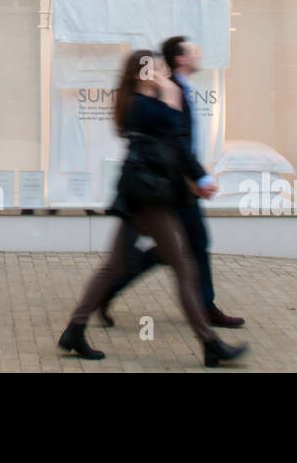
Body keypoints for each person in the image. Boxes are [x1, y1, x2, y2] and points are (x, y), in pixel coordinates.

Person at [58, 50, 247, 368]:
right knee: (184, 268)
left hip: (147, 193)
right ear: (138, 74)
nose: (161, 72)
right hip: (148, 197)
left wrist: (198, 176)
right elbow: (174, 129)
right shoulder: (139, 105)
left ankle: (74, 330)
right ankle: (210, 344)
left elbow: (177, 145)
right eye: (155, 68)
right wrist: (172, 93)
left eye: (161, 67)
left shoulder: (145, 103)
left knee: (115, 266)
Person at [98, 36, 244, 329]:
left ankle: (105, 293)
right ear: (180, 59)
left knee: (171, 251)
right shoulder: (167, 93)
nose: (197, 55)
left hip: (167, 185)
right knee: (185, 248)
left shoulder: (175, 90)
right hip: (168, 187)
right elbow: (175, 143)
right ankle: (205, 317)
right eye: (192, 51)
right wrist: (196, 177)